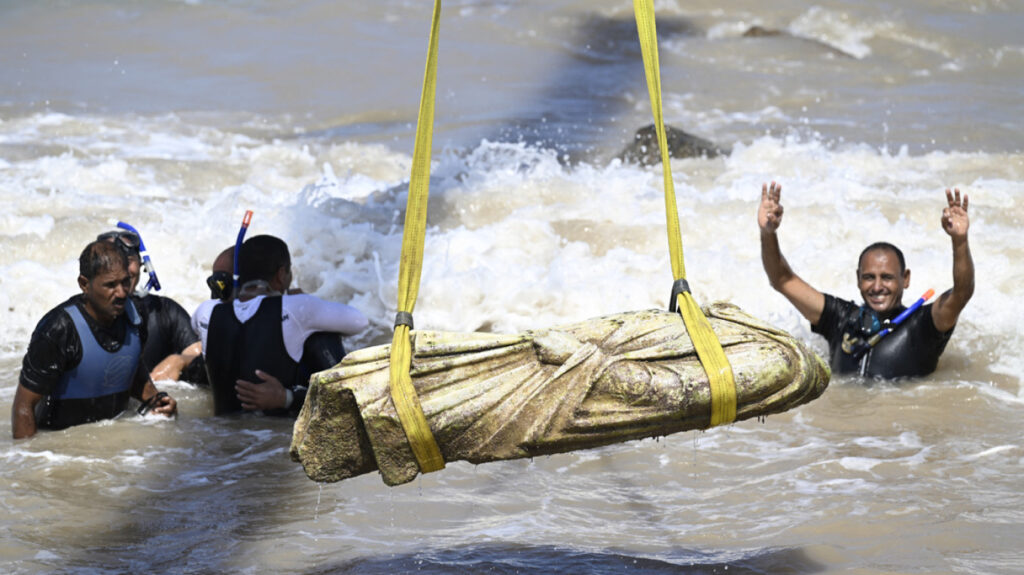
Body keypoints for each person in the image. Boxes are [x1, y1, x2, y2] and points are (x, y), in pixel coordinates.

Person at [758, 182, 974, 379]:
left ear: (905, 279)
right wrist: (768, 233)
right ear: (858, 280)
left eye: (887, 278)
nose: (877, 287)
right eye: (869, 278)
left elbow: (962, 292)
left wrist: (960, 240)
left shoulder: (923, 325)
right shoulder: (839, 318)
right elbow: (782, 280)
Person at [12, 241, 177, 439]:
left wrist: (157, 401)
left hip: (118, 438)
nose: (122, 293)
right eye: (110, 285)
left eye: (125, 281)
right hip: (61, 447)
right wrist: (31, 460)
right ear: (84, 284)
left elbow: (130, 367)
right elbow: (23, 406)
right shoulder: (59, 329)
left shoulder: (135, 317)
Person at [202, 235, 369, 416]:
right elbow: (359, 322)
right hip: (271, 436)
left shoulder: (206, 313)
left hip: (221, 434)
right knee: (320, 334)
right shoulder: (295, 307)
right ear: (281, 275)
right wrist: (287, 398)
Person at [98, 230, 204, 383]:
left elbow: (199, 352)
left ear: (142, 265)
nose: (121, 270)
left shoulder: (164, 310)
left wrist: (179, 360)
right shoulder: (77, 316)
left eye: (128, 260)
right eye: (111, 262)